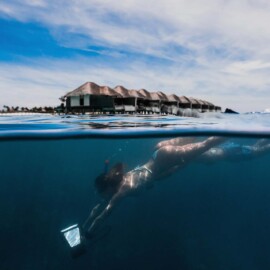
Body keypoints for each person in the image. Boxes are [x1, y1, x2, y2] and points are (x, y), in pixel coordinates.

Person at [83, 137, 270, 237]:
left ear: (108, 188)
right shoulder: (122, 180)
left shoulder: (122, 190)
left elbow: (106, 211)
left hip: (165, 158)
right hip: (159, 154)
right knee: (203, 144)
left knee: (206, 144)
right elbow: (101, 207)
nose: (103, 196)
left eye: (102, 193)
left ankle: (232, 127)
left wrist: (90, 232)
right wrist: (85, 225)